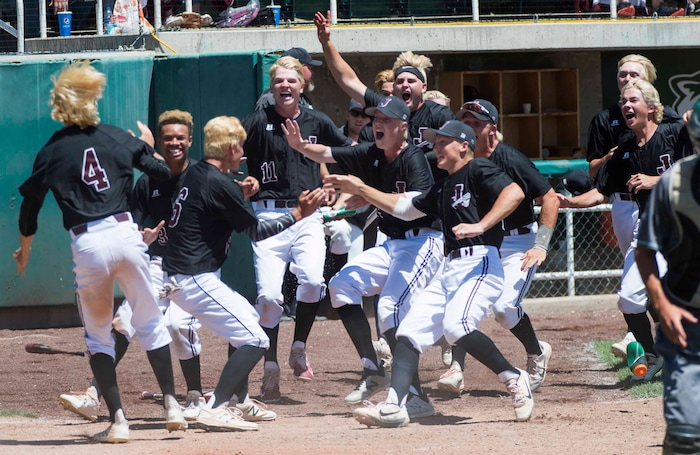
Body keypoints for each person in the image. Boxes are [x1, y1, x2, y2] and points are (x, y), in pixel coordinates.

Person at [13, 61, 186, 443]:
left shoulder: (52, 150)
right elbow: (162, 173)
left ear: (59, 105)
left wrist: (24, 251)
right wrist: (147, 145)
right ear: (93, 101)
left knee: (97, 337)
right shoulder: (114, 136)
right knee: (149, 320)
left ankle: (119, 421)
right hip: (126, 234)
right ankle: (173, 405)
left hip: (88, 241)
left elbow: (29, 207)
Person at [324, 120, 533, 427]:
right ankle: (396, 405)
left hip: (481, 263)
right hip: (451, 267)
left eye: (444, 142)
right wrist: (366, 193)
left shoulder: (478, 169)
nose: (436, 147)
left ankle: (514, 378)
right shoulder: (444, 185)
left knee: (456, 326)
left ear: (464, 145)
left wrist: (481, 225)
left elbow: (514, 193)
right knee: (408, 332)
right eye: (435, 142)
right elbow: (406, 209)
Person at [160, 115, 325, 431]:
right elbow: (257, 231)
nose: (244, 154)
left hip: (181, 275)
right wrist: (298, 214)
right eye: (241, 147)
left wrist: (238, 195)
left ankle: (241, 400)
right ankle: (218, 406)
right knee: (256, 337)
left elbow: (212, 205)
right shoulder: (219, 182)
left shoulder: (197, 172)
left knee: (246, 324)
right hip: (194, 277)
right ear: (230, 147)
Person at [282, 95, 444, 415]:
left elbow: (410, 211)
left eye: (385, 119)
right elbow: (327, 152)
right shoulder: (373, 153)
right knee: (341, 285)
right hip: (393, 245)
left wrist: (360, 189)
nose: (377, 124)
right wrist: (299, 145)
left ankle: (415, 397)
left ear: (403, 126)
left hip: (423, 243)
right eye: (375, 119)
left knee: (390, 309)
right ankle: (373, 368)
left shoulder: (413, 159)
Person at [58, 109, 207, 421]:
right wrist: (143, 239)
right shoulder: (147, 183)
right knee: (124, 322)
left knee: (179, 326)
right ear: (159, 144)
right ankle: (93, 395)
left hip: (193, 269)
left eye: (180, 137)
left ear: (190, 141)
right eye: (167, 139)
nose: (174, 143)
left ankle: (194, 396)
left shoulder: (202, 178)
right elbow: (133, 229)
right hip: (155, 267)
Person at [562, 79, 692, 381]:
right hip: (650, 233)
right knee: (629, 298)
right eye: (623, 101)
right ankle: (653, 353)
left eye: (633, 100)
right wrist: (569, 202)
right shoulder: (623, 150)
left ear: (651, 107)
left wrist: (654, 180)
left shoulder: (675, 133)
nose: (626, 105)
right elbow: (601, 192)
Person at [242, 56, 352, 401]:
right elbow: (229, 160)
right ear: (272, 87)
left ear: (302, 87)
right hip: (269, 216)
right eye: (279, 82)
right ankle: (270, 368)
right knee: (270, 298)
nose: (285, 86)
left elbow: (350, 154)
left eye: (291, 81)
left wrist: (337, 184)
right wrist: (242, 180)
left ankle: (299, 346)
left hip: (308, 216)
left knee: (313, 282)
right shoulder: (258, 122)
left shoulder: (317, 121)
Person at [437, 99, 558, 395]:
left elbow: (550, 198)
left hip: (517, 242)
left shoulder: (510, 159)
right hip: (479, 243)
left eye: (477, 123)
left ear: (492, 129)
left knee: (504, 308)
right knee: (459, 301)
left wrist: (540, 245)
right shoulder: (456, 163)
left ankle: (535, 351)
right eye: (466, 122)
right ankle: (456, 367)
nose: (470, 128)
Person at [586, 54, 683, 358]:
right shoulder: (612, 127)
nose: (627, 79)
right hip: (632, 210)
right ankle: (658, 343)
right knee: (638, 287)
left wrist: (658, 180)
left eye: (634, 76)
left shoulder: (672, 127)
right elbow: (597, 180)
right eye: (622, 75)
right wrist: (563, 201)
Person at [314, 10, 455, 180]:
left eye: (411, 81)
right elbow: (349, 81)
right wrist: (326, 42)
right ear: (394, 88)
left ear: (424, 87)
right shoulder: (385, 106)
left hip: (432, 194)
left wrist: (415, 159)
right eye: (400, 81)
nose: (405, 85)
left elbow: (454, 147)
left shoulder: (439, 114)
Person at [636, 102, 699, 455]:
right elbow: (644, 251)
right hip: (686, 316)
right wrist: (663, 306)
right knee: (686, 438)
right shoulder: (673, 184)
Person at [255, 47, 323, 111]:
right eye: (310, 68)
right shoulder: (270, 99)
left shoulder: (302, 98)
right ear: (298, 68)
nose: (312, 72)